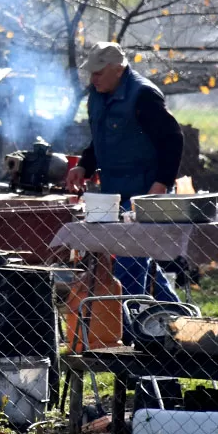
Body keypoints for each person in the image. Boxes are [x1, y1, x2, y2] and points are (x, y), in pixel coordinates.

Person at [65, 42, 184, 302]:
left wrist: (161, 184)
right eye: (92, 73)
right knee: (134, 257)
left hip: (145, 192)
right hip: (113, 191)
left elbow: (173, 140)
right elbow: (101, 138)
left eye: (99, 73)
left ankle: (127, 320)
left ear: (118, 70)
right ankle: (171, 313)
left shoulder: (144, 95)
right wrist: (84, 165)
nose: (93, 78)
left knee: (129, 260)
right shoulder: (98, 94)